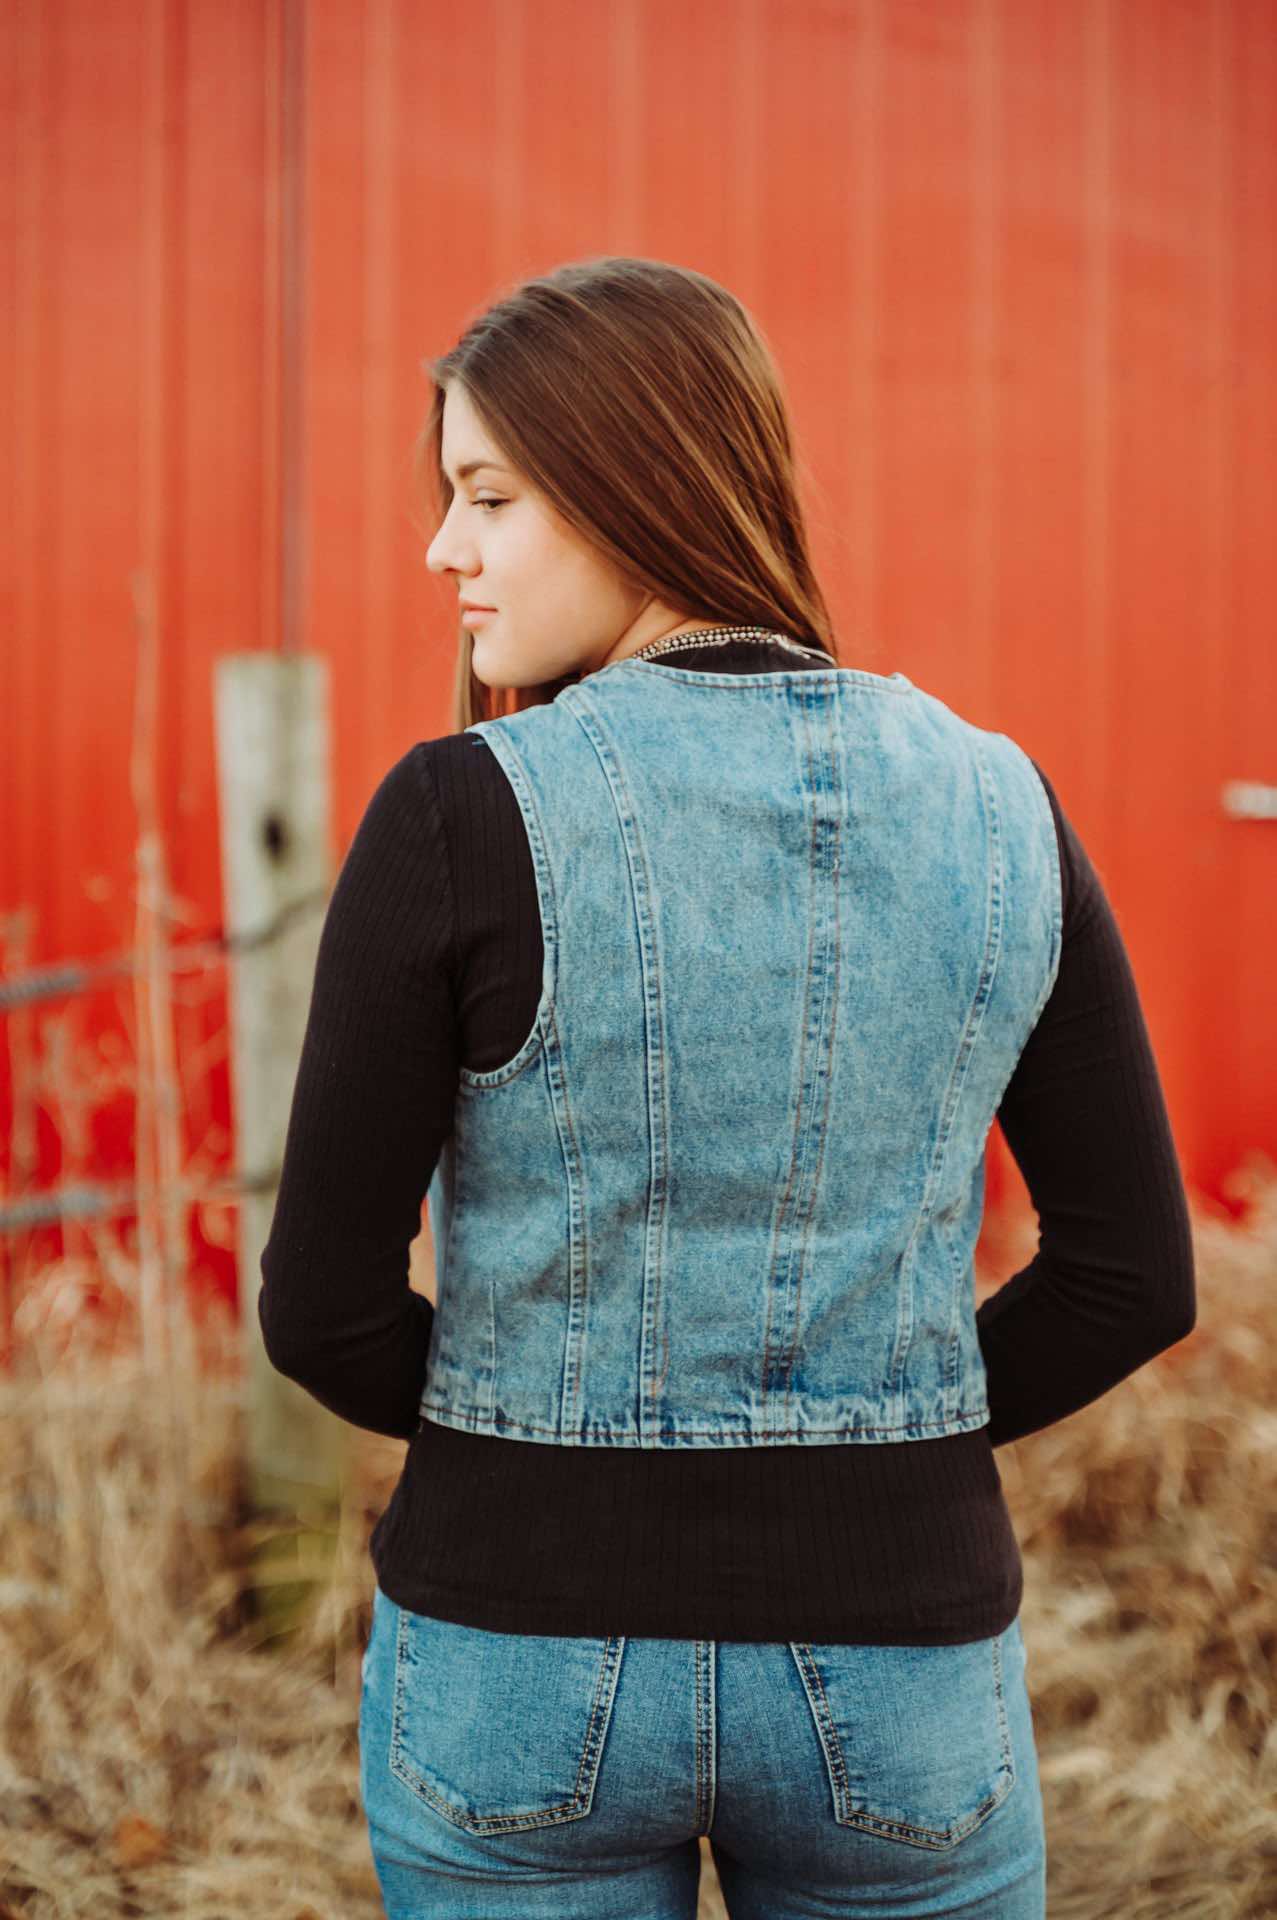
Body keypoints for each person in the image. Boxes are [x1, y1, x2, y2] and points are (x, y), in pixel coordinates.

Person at [258, 256, 1197, 1919]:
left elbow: (324, 1312)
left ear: (637, 483)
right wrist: (876, 1449)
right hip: (901, 1674)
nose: (441, 551)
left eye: (487, 495)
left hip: (518, 1665)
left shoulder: (455, 812)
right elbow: (1127, 1278)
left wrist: (533, 1453)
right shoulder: (999, 802)